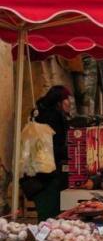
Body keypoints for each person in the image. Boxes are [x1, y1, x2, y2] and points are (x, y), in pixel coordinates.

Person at [30, 86, 72, 220]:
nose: (69, 102)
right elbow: (52, 148)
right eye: (66, 99)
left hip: (42, 174)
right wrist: (72, 151)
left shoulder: (42, 114)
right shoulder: (53, 118)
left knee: (48, 216)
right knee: (50, 216)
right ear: (58, 102)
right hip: (47, 176)